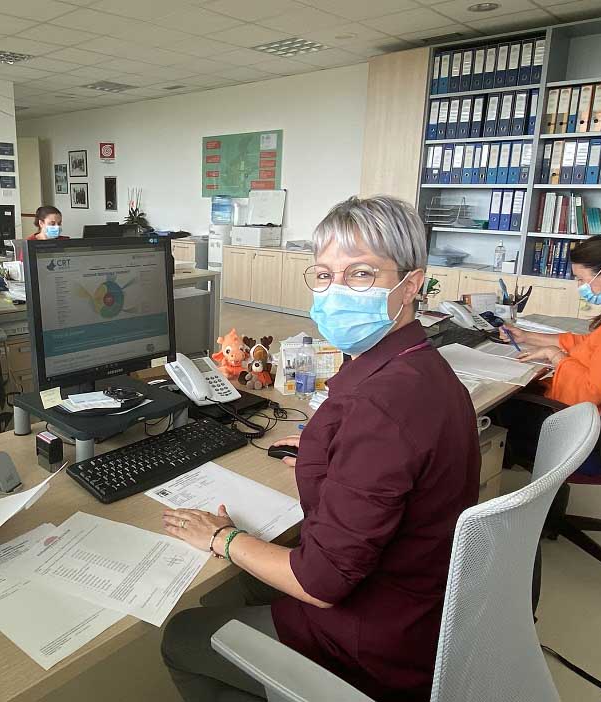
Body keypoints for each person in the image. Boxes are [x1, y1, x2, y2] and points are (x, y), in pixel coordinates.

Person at [159, 196, 481, 702]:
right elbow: (388, 465)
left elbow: (321, 585)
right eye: (325, 275)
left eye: (360, 275)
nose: (335, 293)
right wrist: (329, 453)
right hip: (423, 601)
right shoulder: (418, 366)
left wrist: (220, 538)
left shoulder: (382, 405)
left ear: (411, 284)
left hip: (377, 639)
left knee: (183, 633)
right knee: (253, 571)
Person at [493, 234, 601, 471]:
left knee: (493, 409)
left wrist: (556, 356)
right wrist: (528, 337)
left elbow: (593, 391)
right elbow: (589, 344)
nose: (580, 286)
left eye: (581, 278)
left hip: (582, 431)